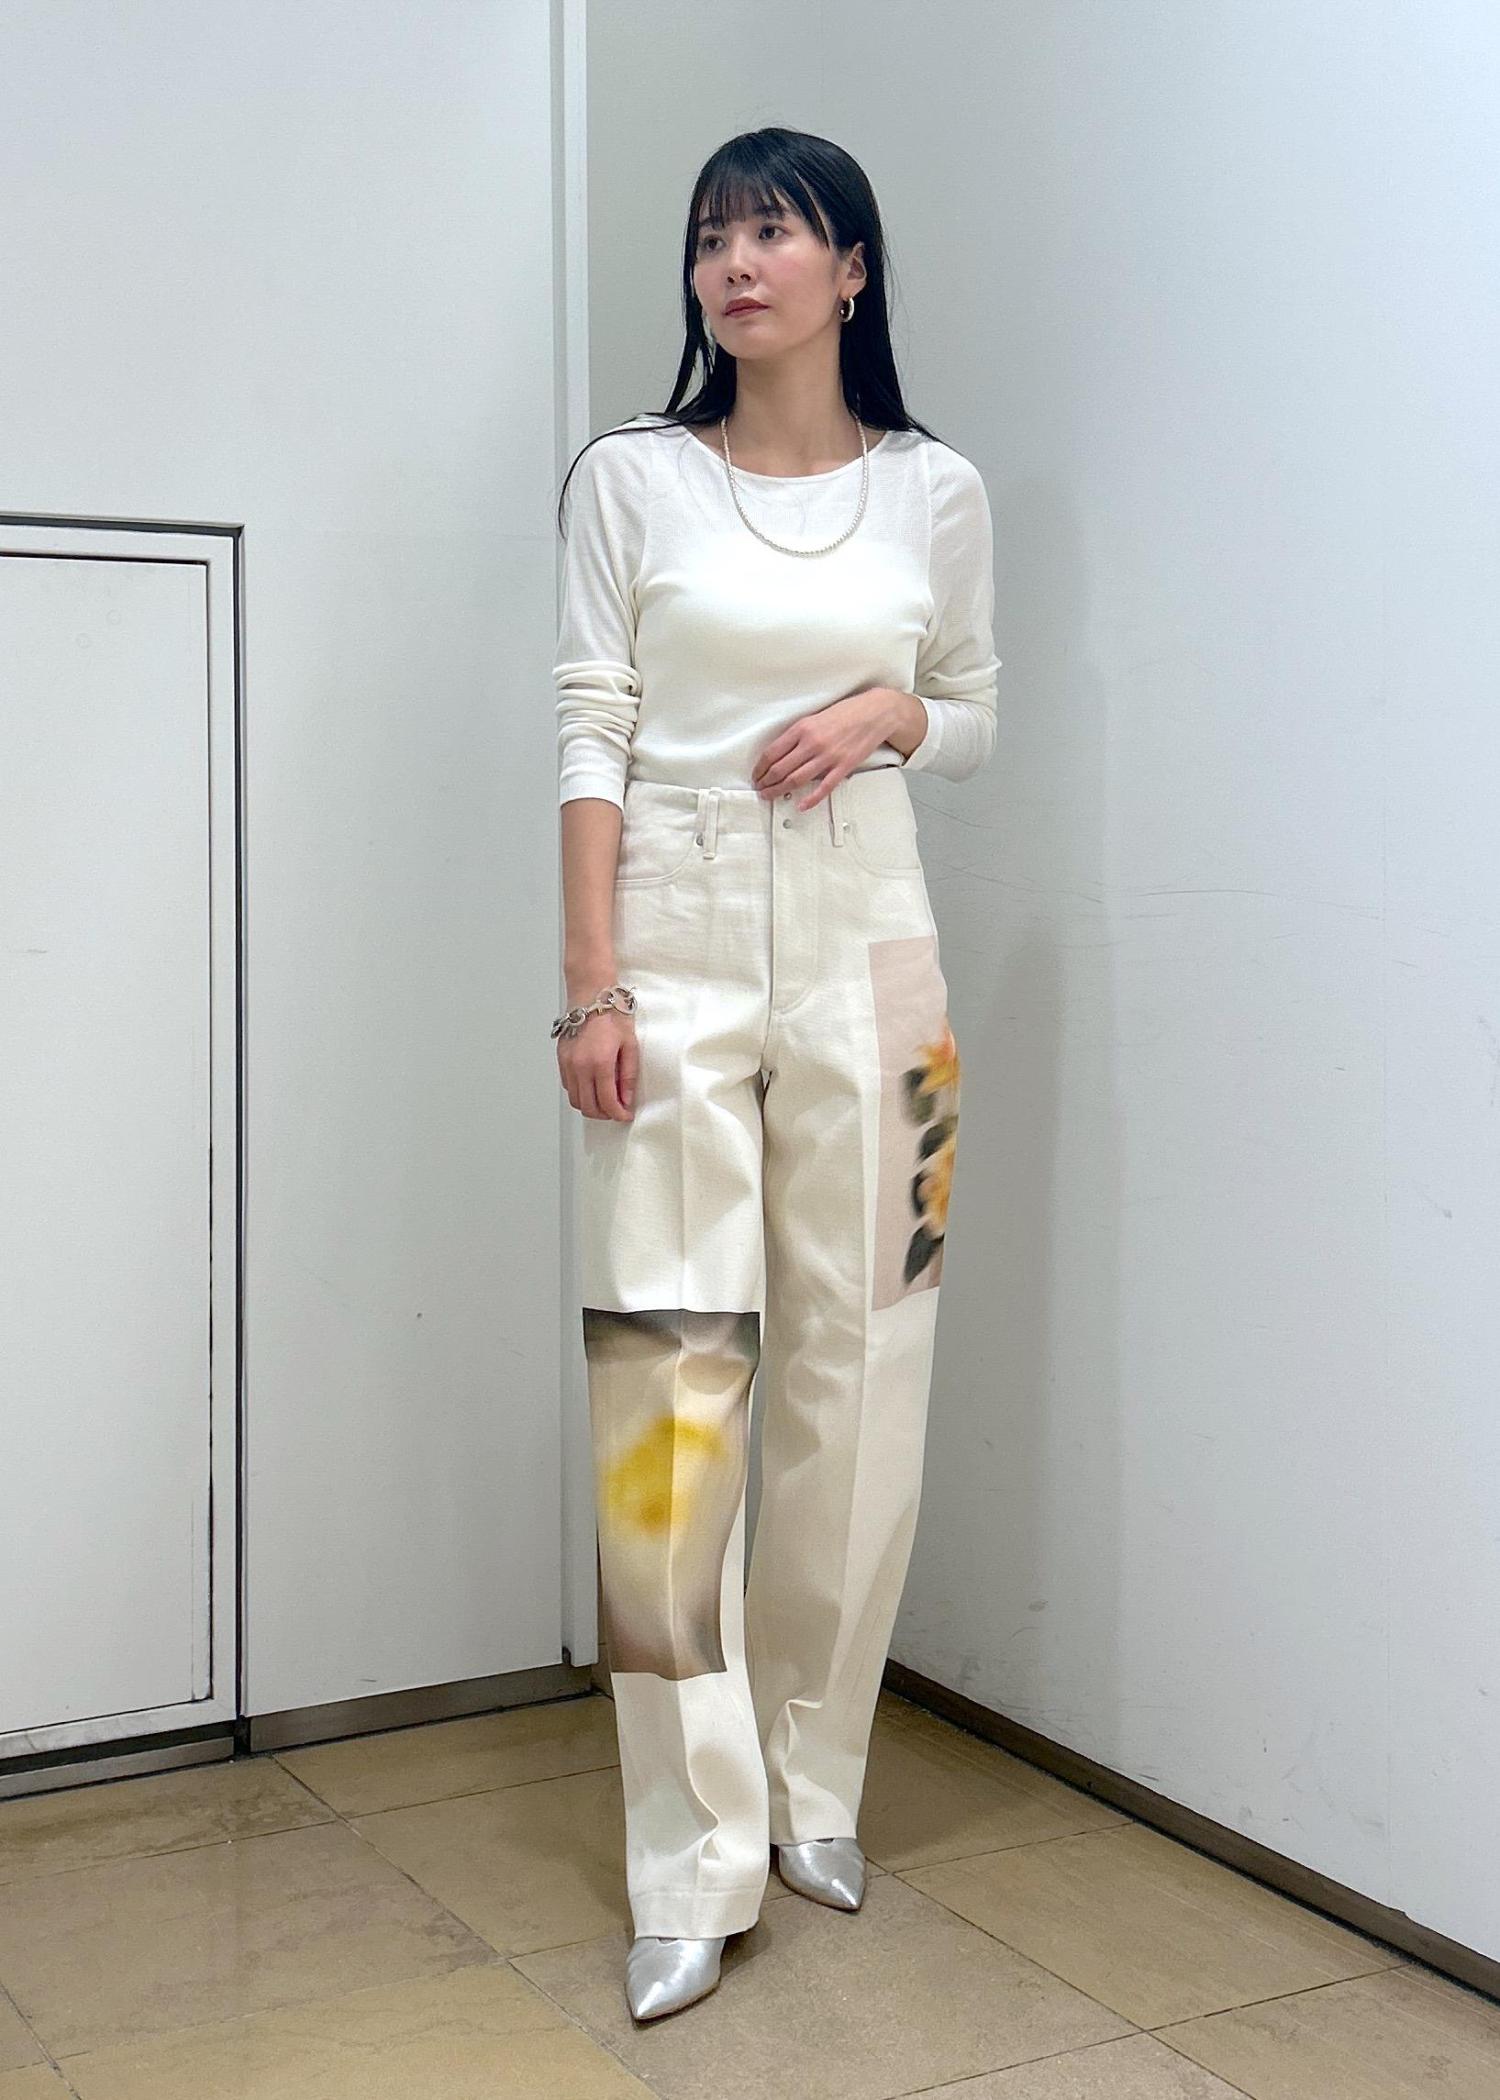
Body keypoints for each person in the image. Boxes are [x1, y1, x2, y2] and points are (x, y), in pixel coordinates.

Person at [550, 126, 1000, 2023]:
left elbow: (972, 711)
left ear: (852, 268)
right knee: (668, 1388)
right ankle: (688, 1852)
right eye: (712, 237)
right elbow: (592, 723)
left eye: (775, 232)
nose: (736, 264)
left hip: (876, 938)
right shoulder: (630, 478)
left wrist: (895, 711)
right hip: (669, 923)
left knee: (868, 1364)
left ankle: (818, 1782)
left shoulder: (936, 489)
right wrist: (589, 986)